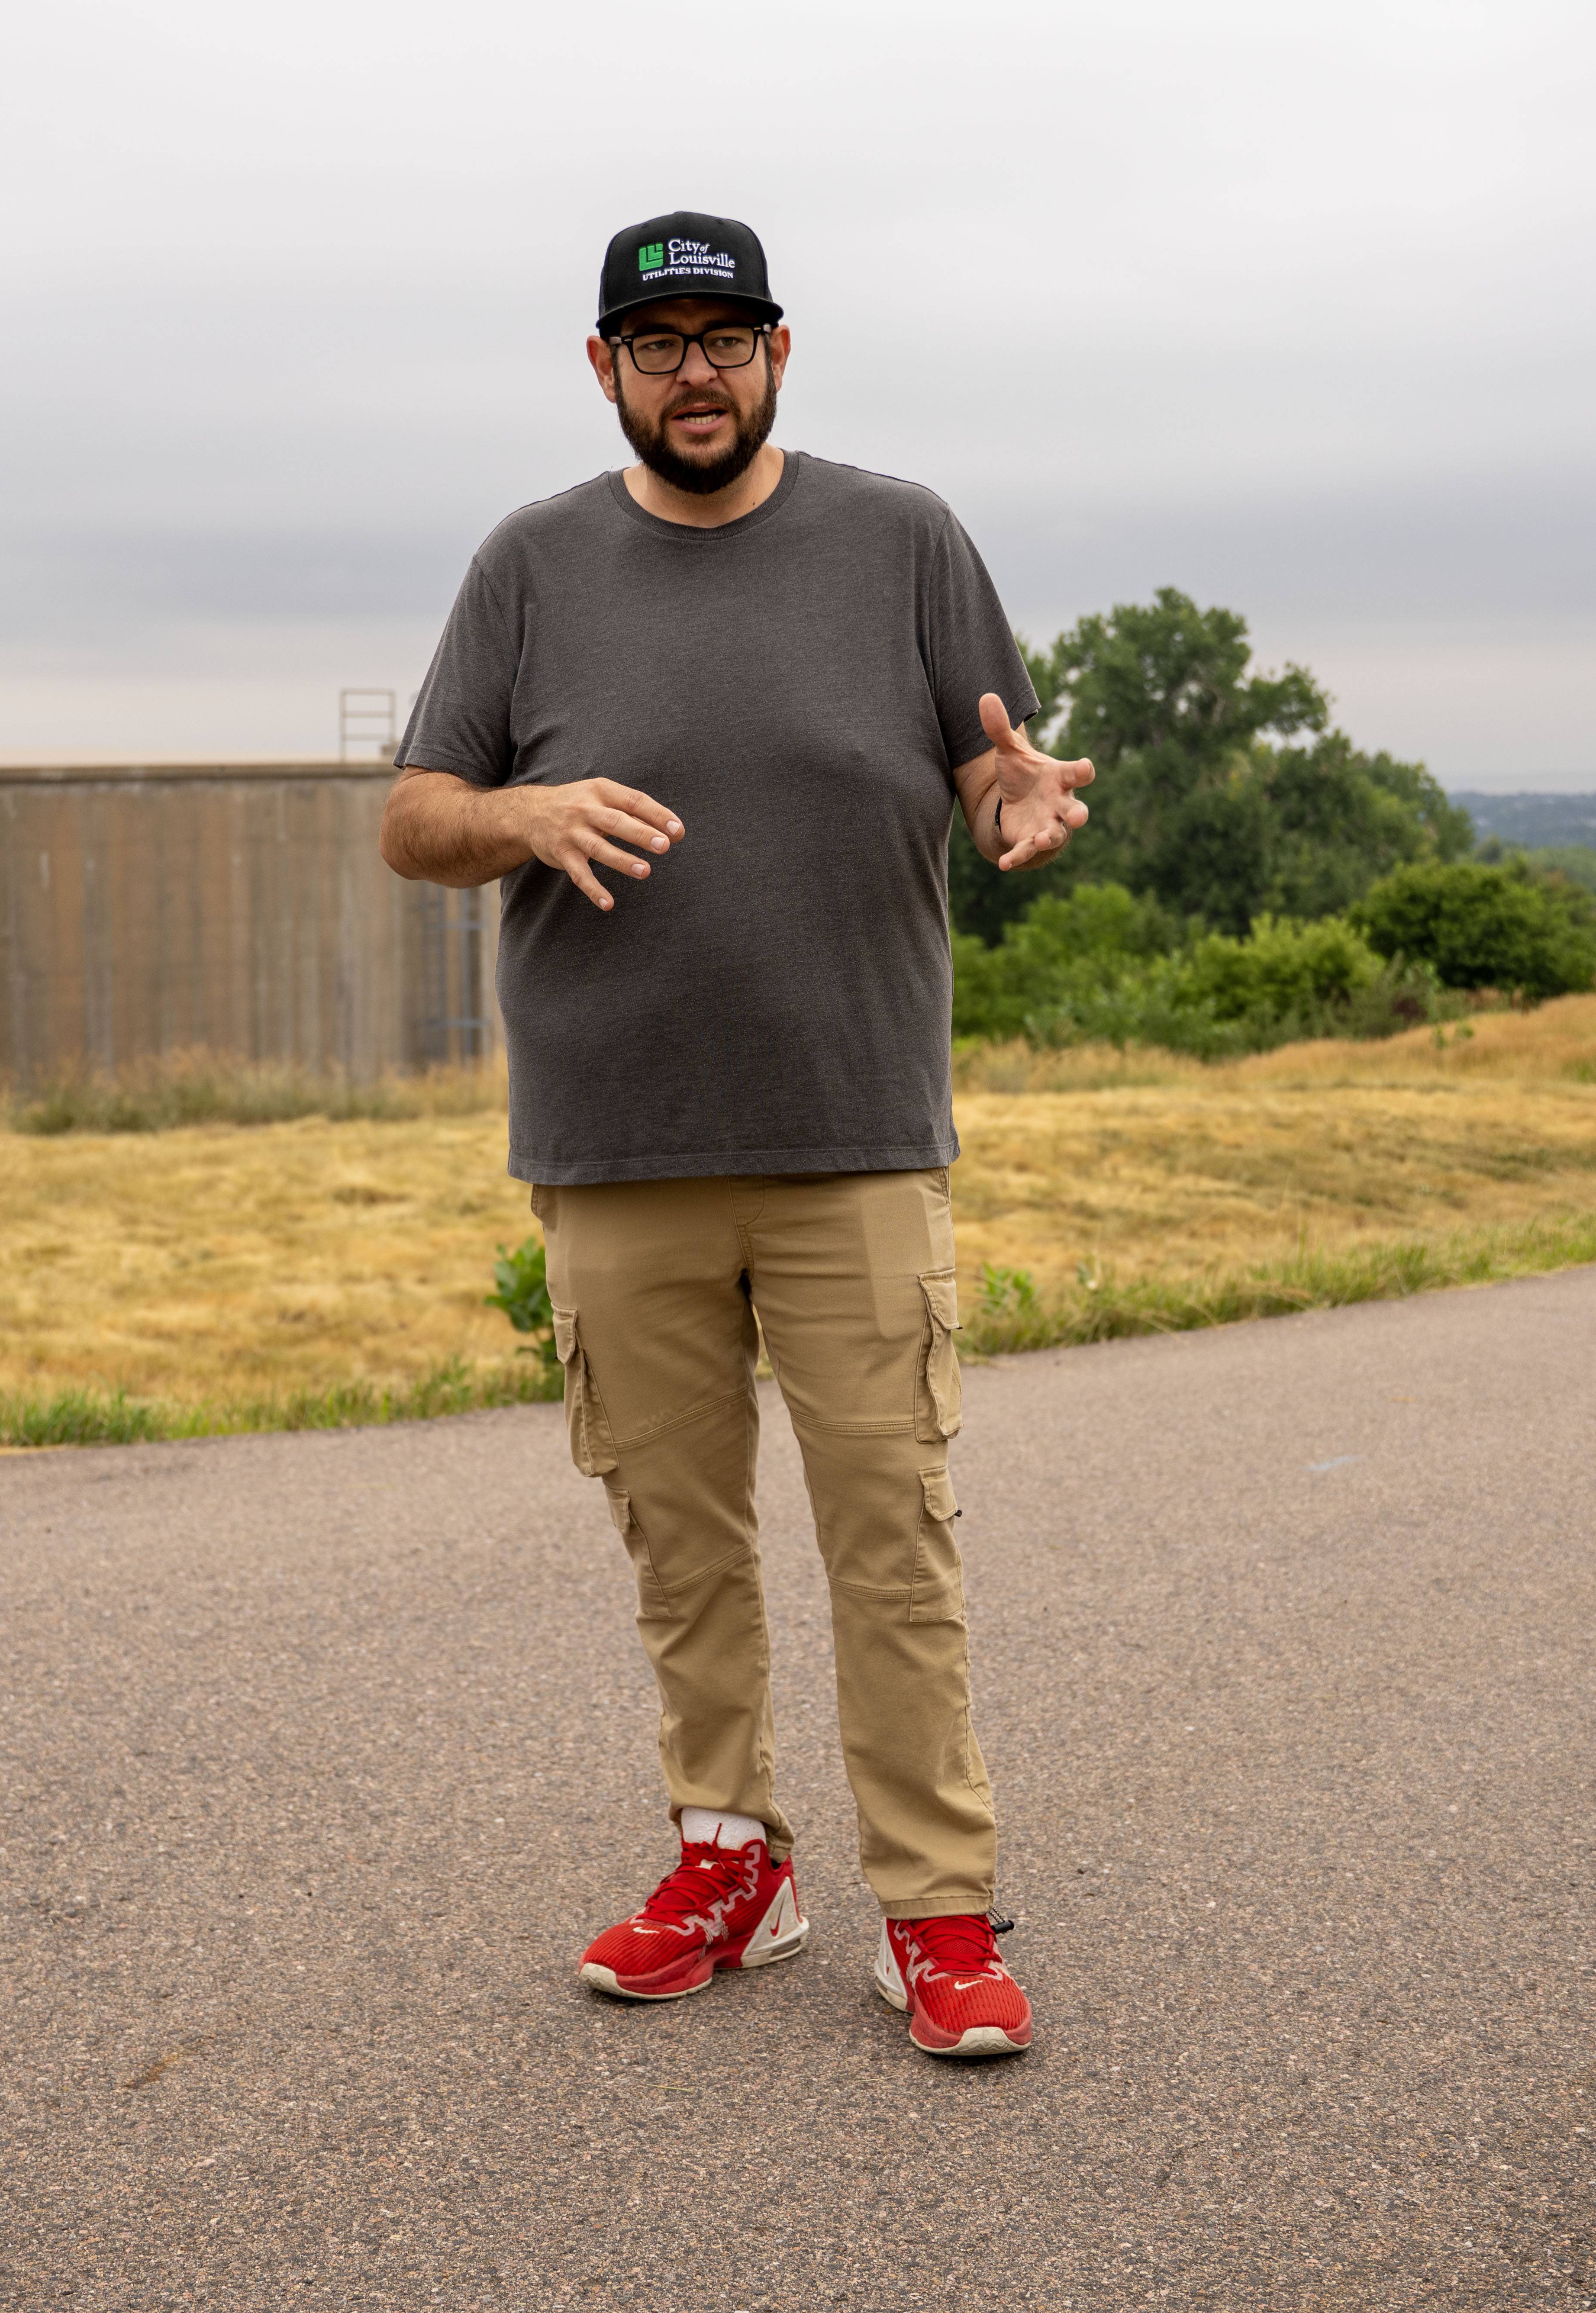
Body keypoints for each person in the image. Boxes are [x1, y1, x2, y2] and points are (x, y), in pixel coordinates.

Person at [377, 209, 1095, 2059]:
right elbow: (416, 818)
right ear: (602, 366)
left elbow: (988, 757)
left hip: (856, 1138)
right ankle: (730, 1859)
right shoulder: (531, 565)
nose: (696, 368)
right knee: (679, 1543)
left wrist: (1010, 793)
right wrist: (521, 822)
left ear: (784, 350)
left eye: (728, 334)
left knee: (893, 1538)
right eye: (659, 339)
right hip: (616, 1154)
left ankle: (937, 1914)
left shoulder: (903, 539)